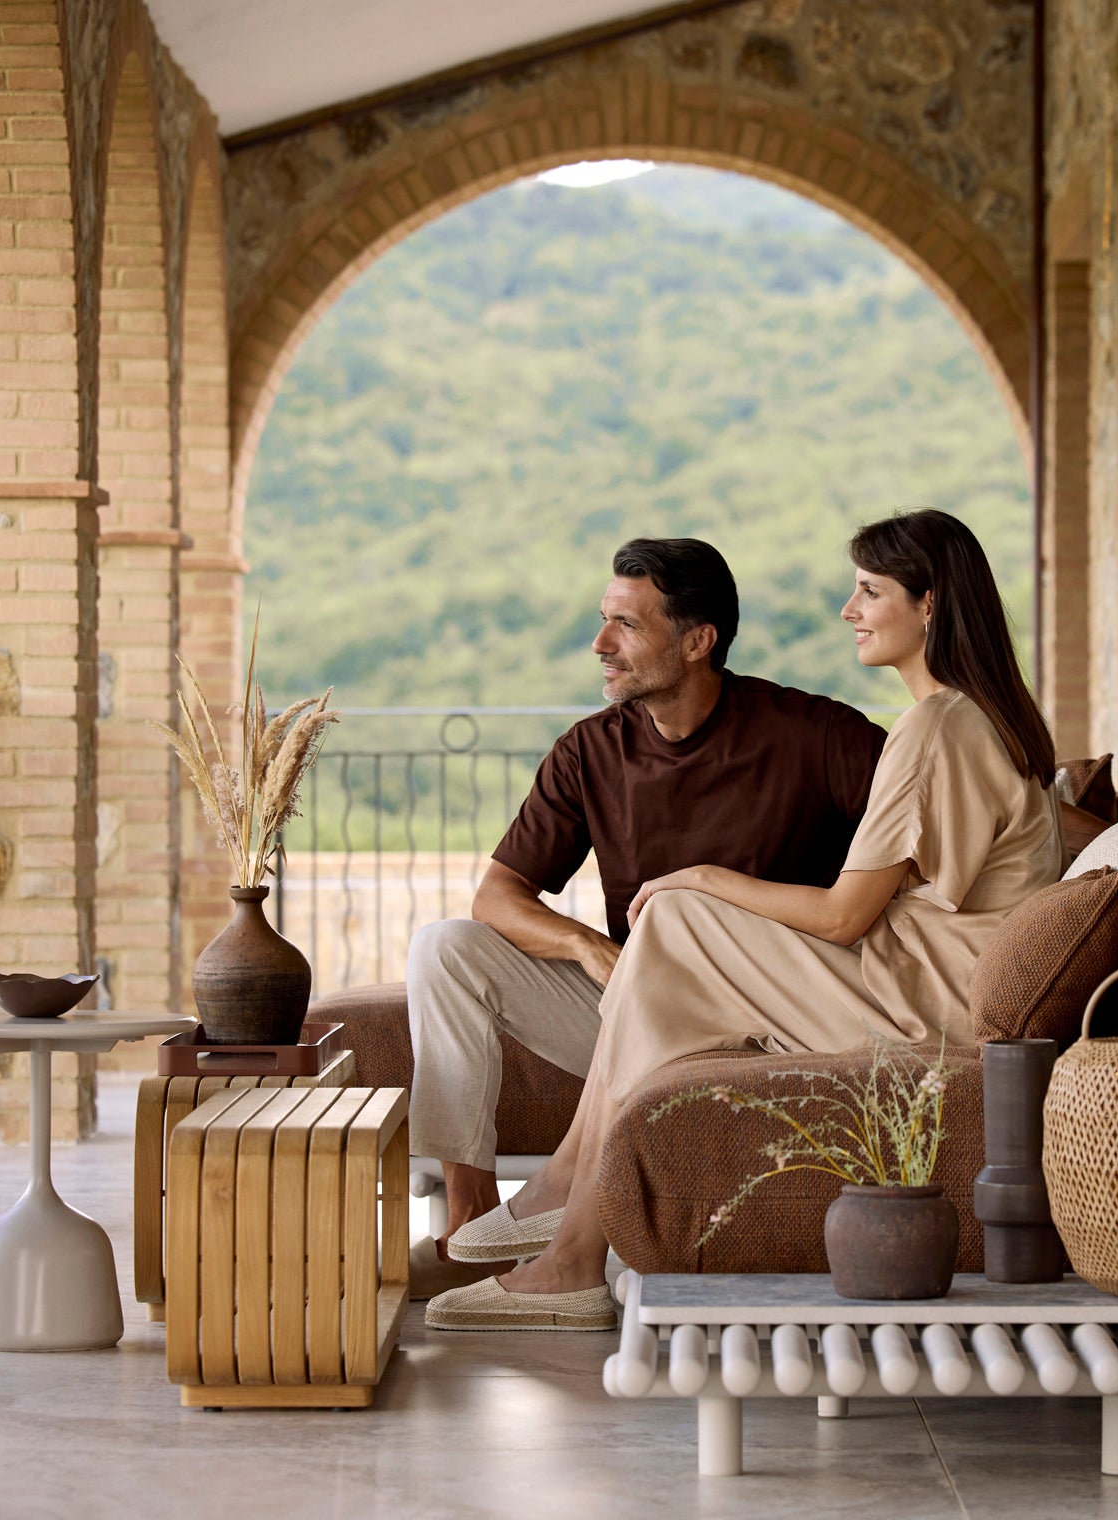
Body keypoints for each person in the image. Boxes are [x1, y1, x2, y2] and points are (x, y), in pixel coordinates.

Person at [427, 508, 1063, 1330]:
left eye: (869, 592)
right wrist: (611, 935)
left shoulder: (927, 727)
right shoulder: (971, 721)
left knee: (676, 913)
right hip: (924, 978)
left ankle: (570, 1235)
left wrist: (702, 877)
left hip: (923, 998)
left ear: (930, 603)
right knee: (623, 926)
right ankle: (565, 1227)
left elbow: (845, 916)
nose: (849, 610)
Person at [406, 536, 888, 1297]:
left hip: (767, 1023)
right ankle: (472, 1222)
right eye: (605, 620)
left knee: (681, 912)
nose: (601, 644)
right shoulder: (590, 750)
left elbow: (934, 820)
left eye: (627, 625)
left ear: (698, 642)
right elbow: (497, 896)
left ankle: (555, 1229)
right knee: (445, 949)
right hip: (635, 1013)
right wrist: (589, 949)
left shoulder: (819, 734)